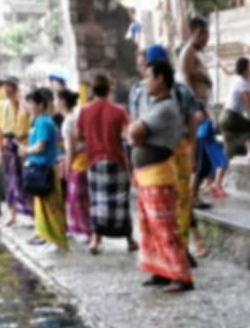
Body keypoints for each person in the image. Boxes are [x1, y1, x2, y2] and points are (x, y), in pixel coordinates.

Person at [128, 58, 193, 293]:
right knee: (149, 227)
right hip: (147, 175)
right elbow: (134, 131)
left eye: (148, 76)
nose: (145, 81)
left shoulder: (165, 107)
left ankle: (181, 275)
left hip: (158, 176)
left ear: (160, 79)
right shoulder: (156, 105)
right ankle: (161, 271)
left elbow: (135, 131)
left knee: (165, 227)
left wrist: (133, 135)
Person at [77, 72, 136, 254]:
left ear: (92, 89)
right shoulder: (119, 111)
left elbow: (79, 136)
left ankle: (95, 240)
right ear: (109, 89)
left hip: (94, 161)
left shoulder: (84, 111)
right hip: (116, 160)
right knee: (121, 202)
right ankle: (129, 240)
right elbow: (128, 136)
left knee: (97, 201)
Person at [20, 88, 68, 251]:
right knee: (43, 207)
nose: (29, 106)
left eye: (32, 103)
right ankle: (48, 237)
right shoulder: (38, 121)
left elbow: (40, 147)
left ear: (41, 104)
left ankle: (58, 240)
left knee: (52, 206)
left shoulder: (44, 122)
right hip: (39, 168)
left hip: (46, 169)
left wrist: (26, 150)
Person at [0, 77, 31, 226]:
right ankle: (12, 213)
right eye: (5, 88)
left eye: (10, 87)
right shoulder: (1, 106)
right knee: (10, 181)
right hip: (8, 145)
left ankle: (31, 214)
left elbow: (29, 114)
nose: (7, 91)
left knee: (26, 180)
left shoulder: (25, 105)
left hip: (23, 143)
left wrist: (21, 99)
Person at [59, 89, 91, 242]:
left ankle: (83, 230)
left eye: (57, 100)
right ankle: (82, 229)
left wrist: (67, 166)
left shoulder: (68, 122)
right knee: (82, 197)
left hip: (77, 161)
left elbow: (71, 147)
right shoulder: (76, 117)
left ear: (63, 102)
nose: (56, 103)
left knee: (76, 197)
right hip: (85, 159)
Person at [220, 56, 250, 163]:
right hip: (231, 117)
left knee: (230, 152)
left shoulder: (237, 80)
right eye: (249, 67)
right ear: (244, 70)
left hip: (224, 117)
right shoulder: (242, 83)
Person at [180, 15, 212, 100]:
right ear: (192, 32)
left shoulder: (197, 51)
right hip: (197, 105)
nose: (205, 37)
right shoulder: (188, 52)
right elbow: (187, 81)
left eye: (206, 33)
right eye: (201, 33)